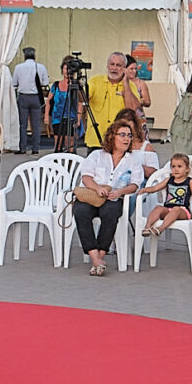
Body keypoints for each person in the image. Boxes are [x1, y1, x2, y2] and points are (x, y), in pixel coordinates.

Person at [72, 115, 146, 275]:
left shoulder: (133, 159)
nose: (126, 139)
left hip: (114, 197)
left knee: (110, 213)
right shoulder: (97, 155)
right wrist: (97, 188)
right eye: (122, 135)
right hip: (92, 194)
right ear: (112, 136)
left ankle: (100, 257)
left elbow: (135, 184)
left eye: (129, 135)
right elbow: (86, 176)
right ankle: (95, 258)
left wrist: (120, 191)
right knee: (80, 212)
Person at [11, 46, 50, 151]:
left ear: (24, 56)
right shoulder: (41, 67)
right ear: (34, 56)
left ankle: (22, 147)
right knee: (36, 124)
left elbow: (14, 83)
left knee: (23, 125)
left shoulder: (18, 67)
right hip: (36, 97)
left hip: (23, 97)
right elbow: (45, 83)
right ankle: (35, 148)